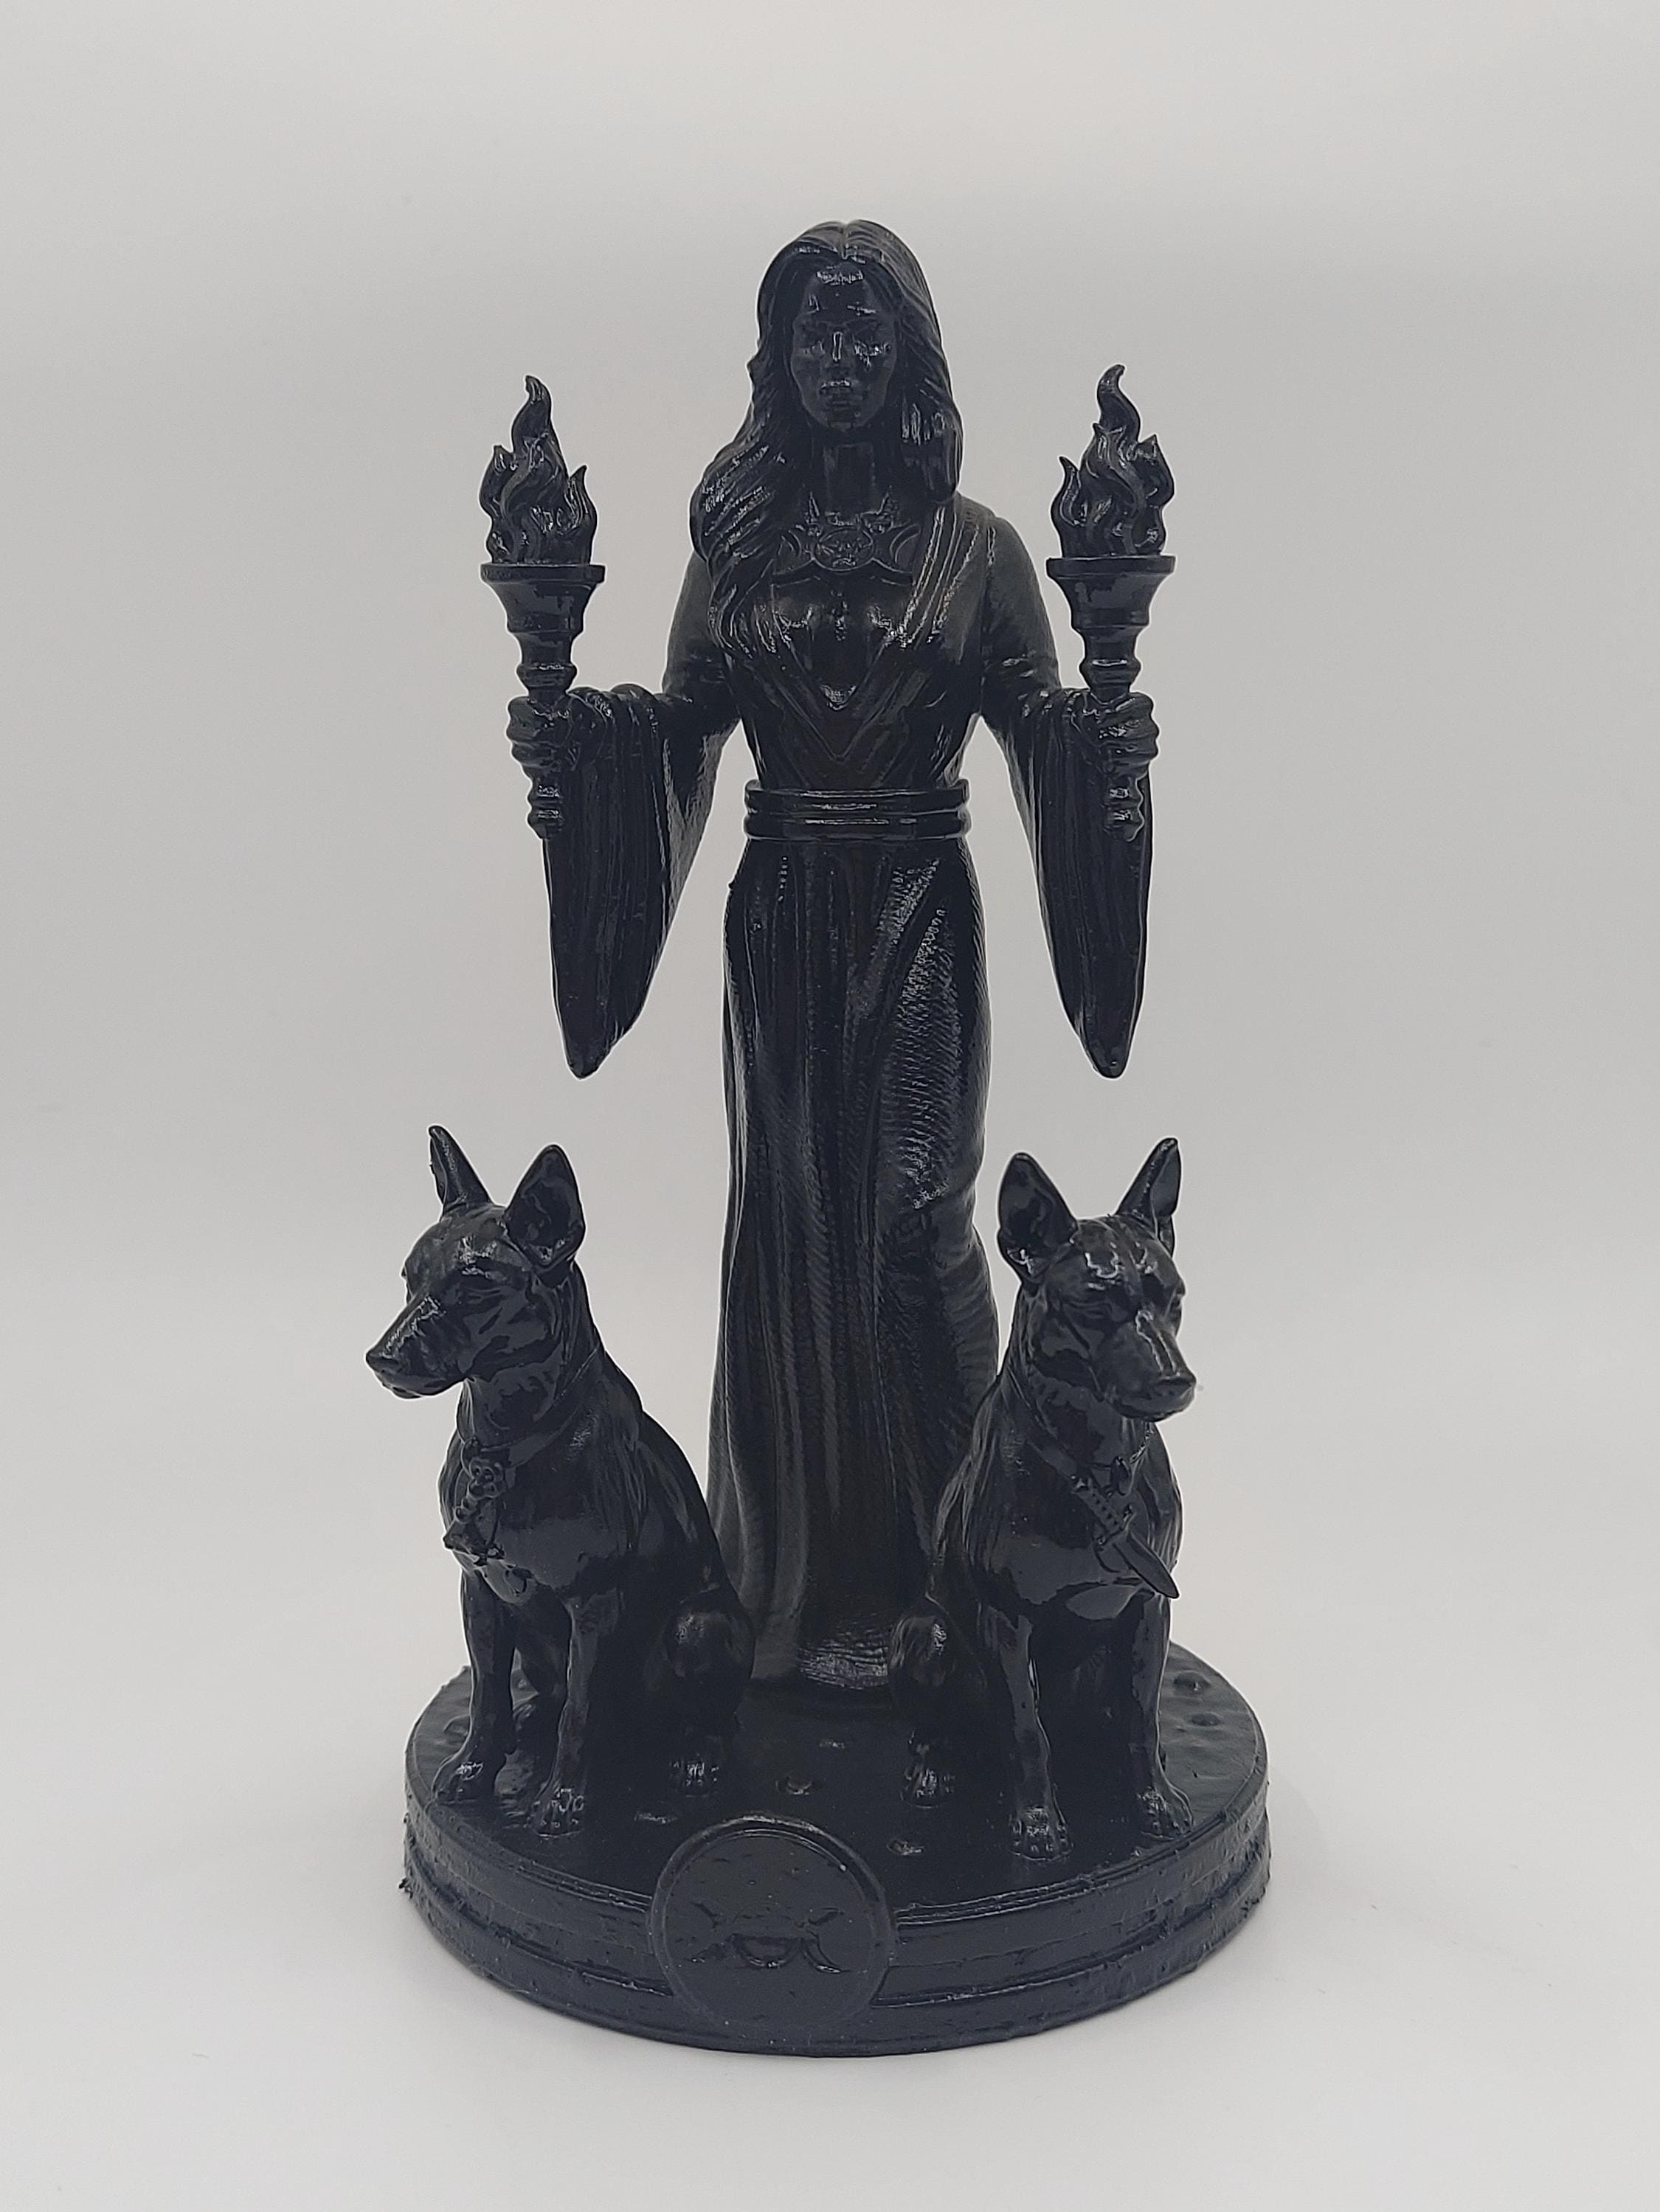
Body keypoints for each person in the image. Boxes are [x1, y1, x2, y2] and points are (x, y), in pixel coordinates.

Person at [508, 221, 1158, 1690]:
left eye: (865, 332)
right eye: (815, 333)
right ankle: (795, 1584)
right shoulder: (737, 547)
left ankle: (964, 1570)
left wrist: (1102, 742)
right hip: (782, 920)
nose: (841, 359)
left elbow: (1039, 731)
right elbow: (680, 733)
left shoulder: (977, 550)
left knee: (914, 1223)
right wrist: (580, 741)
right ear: (779, 358)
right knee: (793, 1227)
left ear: (910, 352)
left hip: (919, 909)